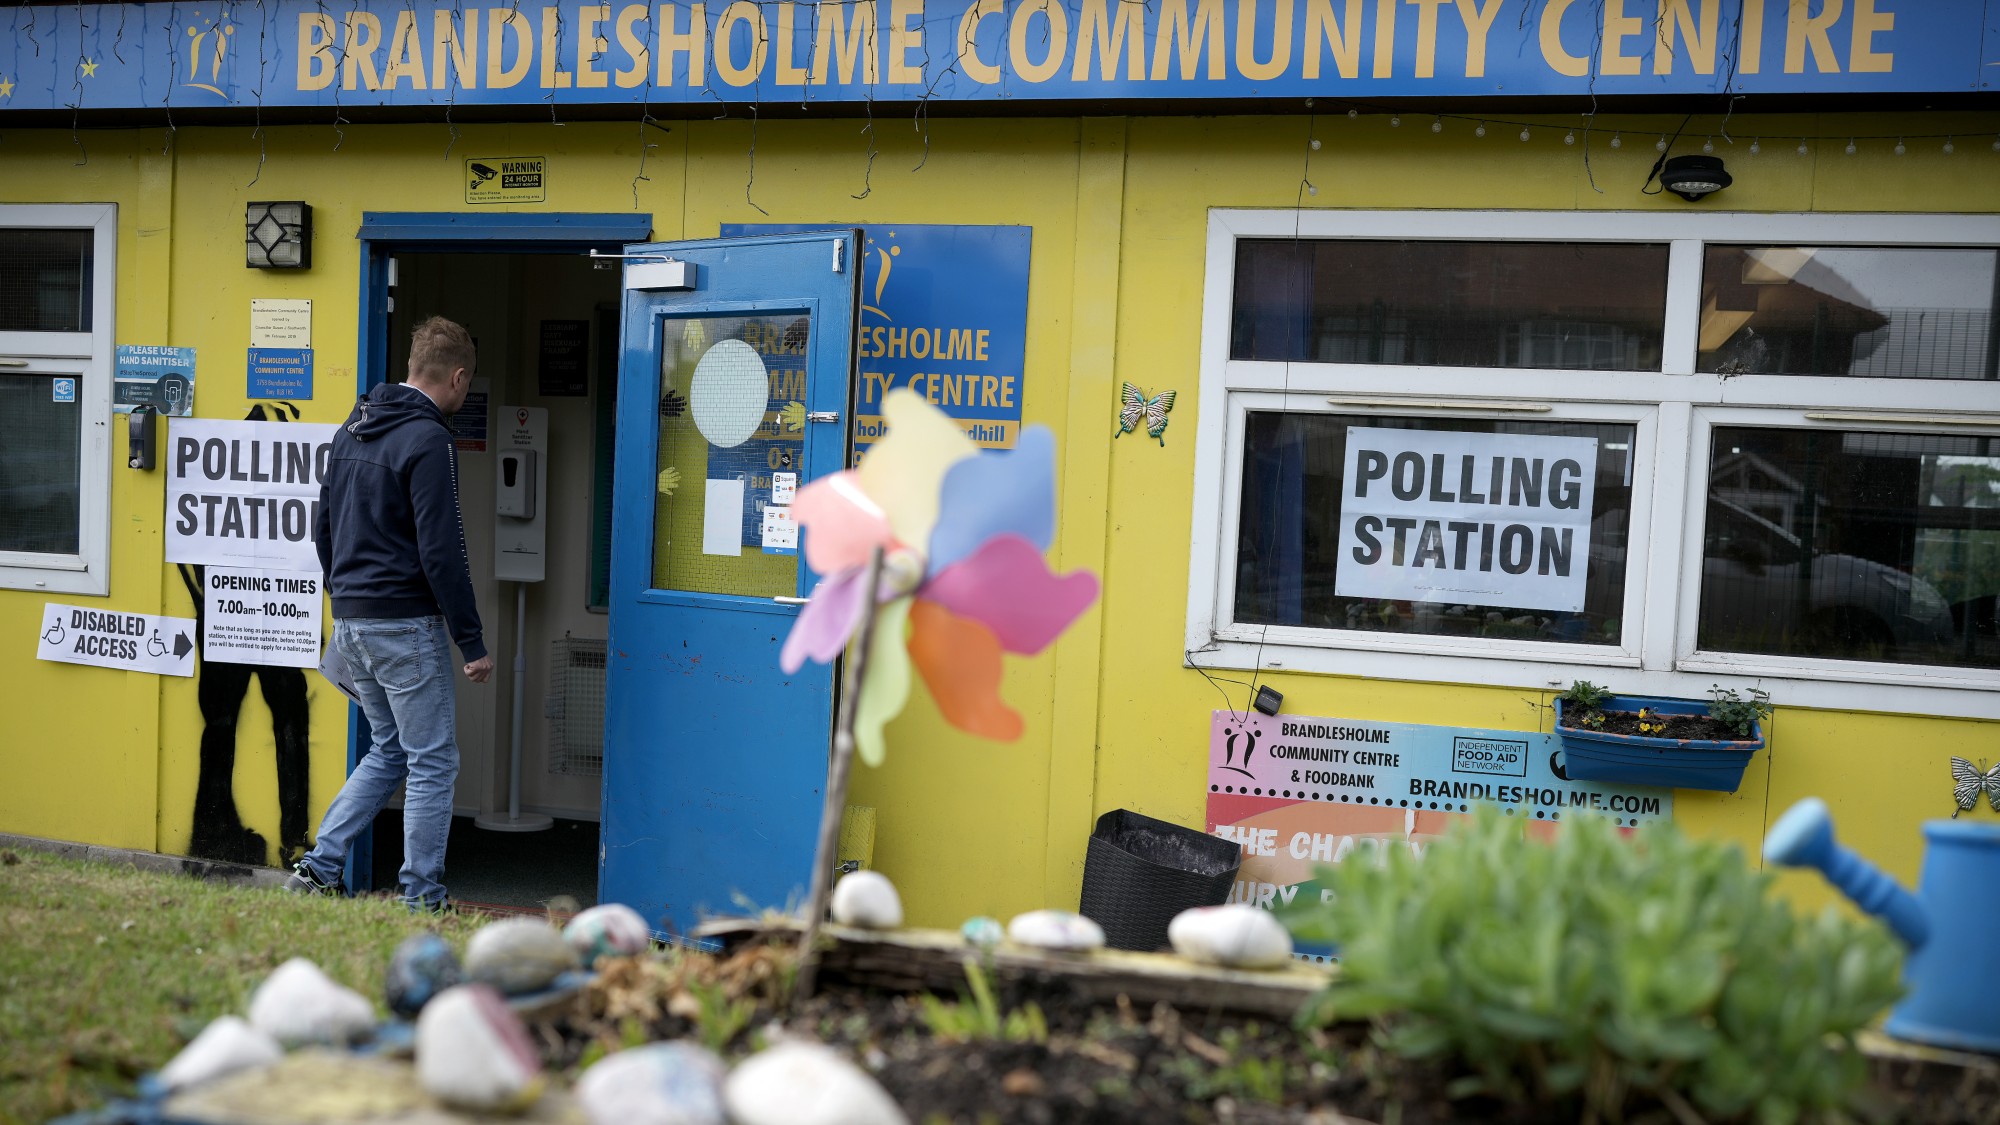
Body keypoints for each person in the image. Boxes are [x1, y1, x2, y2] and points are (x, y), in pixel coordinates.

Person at [286, 316, 493, 911]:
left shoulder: (352, 429)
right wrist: (471, 641)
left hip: (352, 620)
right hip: (404, 625)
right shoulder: (428, 439)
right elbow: (441, 548)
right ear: (456, 377)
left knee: (390, 750)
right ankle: (422, 898)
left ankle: (322, 866)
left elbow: (323, 527)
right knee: (432, 762)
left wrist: (346, 597)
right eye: (466, 385)